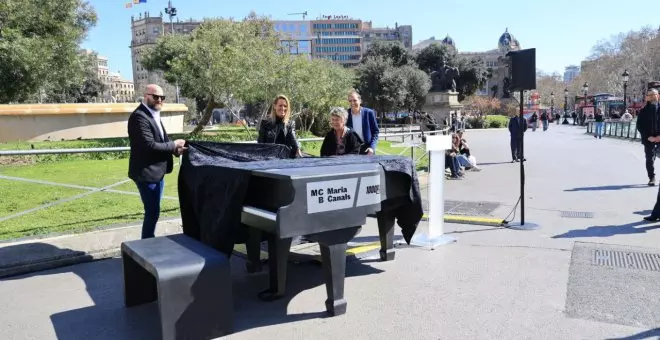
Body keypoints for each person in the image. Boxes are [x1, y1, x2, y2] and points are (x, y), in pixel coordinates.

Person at [128, 84, 187, 239]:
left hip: (157, 172)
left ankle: (148, 242)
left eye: (162, 97)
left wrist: (175, 150)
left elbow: (161, 141)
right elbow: (149, 146)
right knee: (152, 211)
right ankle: (147, 244)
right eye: (156, 97)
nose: (159, 100)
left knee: (153, 211)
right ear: (145, 96)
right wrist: (174, 144)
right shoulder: (139, 117)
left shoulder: (152, 114)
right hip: (146, 174)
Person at [637, 88, 660, 186]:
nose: (653, 97)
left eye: (655, 94)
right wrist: (647, 137)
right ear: (647, 98)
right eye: (651, 95)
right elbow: (639, 125)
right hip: (648, 139)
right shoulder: (643, 111)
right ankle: (652, 177)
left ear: (658, 96)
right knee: (649, 159)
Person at [346, 90, 379, 155]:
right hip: (351, 150)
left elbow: (375, 132)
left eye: (355, 100)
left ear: (360, 101)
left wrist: (372, 147)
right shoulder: (346, 114)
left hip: (368, 150)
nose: (352, 103)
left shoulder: (369, 113)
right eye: (350, 101)